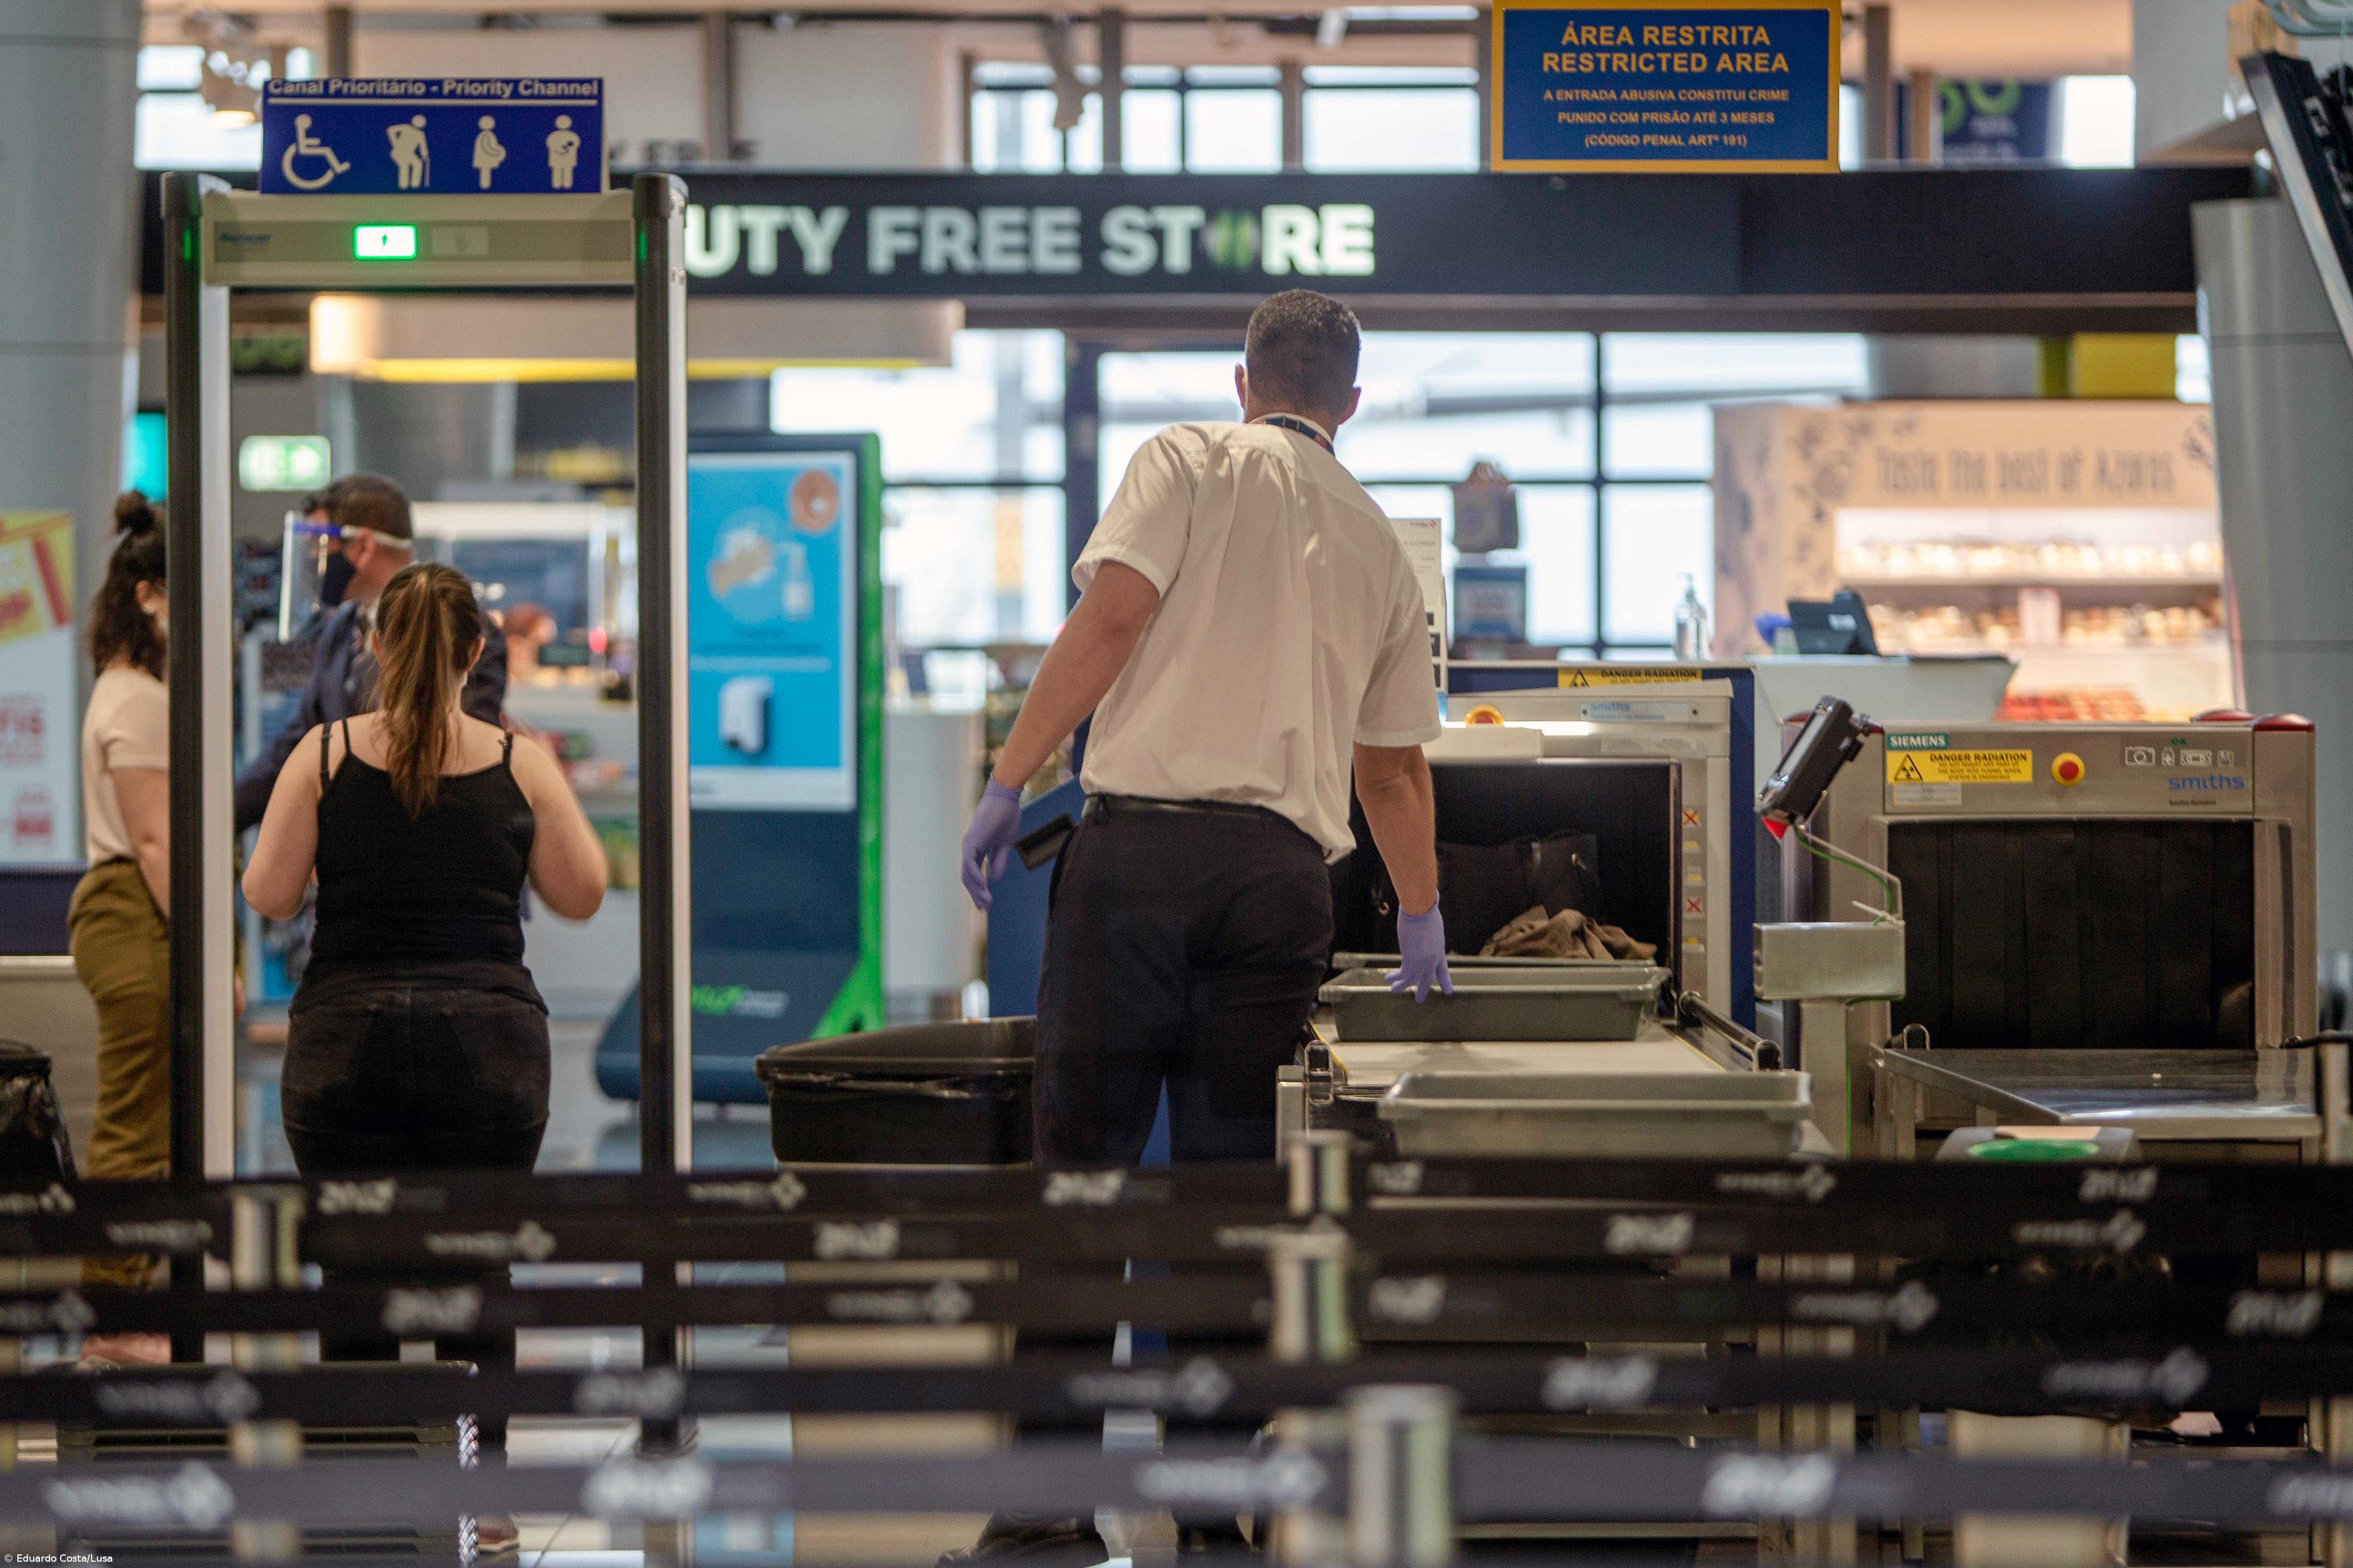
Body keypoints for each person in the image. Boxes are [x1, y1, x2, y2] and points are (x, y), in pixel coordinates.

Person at [960, 288, 1450, 1167]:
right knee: (1228, 1198)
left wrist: (1008, 781)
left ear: (1241, 382)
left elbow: (1108, 622)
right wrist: (1422, 910)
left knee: (1080, 1171)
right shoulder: (1380, 546)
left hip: (1135, 870)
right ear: (1349, 404)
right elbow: (1390, 772)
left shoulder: (1184, 458)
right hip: (1278, 888)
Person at [242, 563, 606, 1390]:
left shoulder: (324, 753)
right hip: (488, 1047)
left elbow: (267, 890)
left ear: (374, 644)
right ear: (476, 650)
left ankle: (362, 1490)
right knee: (479, 1273)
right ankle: (485, 1502)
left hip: (344, 1044)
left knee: (353, 1274)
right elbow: (581, 893)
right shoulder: (520, 760)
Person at [234, 474, 507, 835]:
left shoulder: (460, 629)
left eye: (320, 544)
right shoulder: (340, 631)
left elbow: (455, 755)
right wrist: (222, 815)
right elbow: (295, 744)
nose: (314, 558)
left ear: (362, 547)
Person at [67, 494, 175, 1364]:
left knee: (141, 1114)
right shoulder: (138, 697)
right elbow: (153, 840)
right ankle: (114, 1315)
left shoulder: (122, 687)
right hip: (132, 906)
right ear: (149, 595)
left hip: (123, 905)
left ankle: (126, 1307)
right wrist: (213, 955)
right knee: (134, 1122)